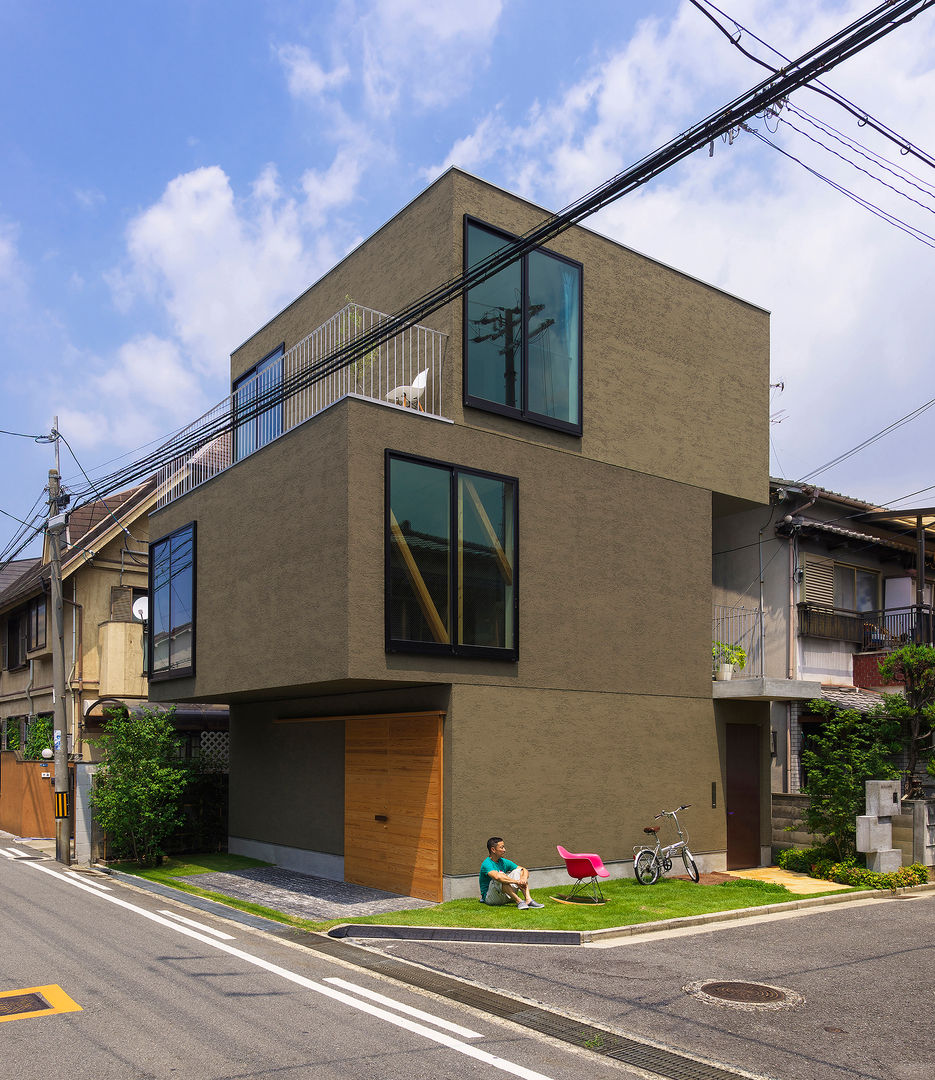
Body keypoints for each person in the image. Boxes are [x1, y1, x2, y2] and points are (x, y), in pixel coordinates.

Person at [479, 837, 544, 909]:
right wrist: (516, 882)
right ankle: (519, 901)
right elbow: (497, 877)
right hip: (491, 898)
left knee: (519, 871)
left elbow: (524, 870)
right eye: (502, 847)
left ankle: (529, 900)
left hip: (506, 896)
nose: (504, 850)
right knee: (500, 876)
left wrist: (523, 878)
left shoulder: (503, 861)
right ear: (493, 850)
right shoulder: (487, 863)